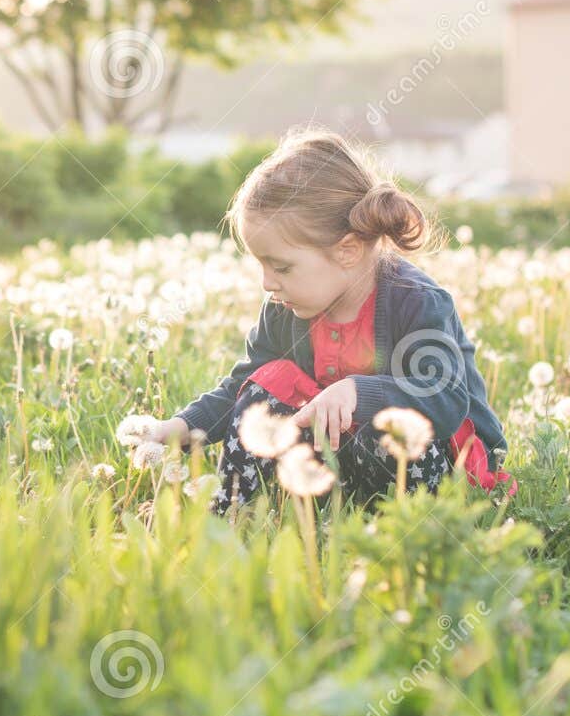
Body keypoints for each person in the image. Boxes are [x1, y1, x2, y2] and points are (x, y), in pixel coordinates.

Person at [146, 128, 515, 515]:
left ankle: (400, 526)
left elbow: (446, 399)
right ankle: (231, 514)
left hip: (444, 467)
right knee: (262, 391)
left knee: (386, 426)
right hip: (342, 457)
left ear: (348, 251)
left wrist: (359, 391)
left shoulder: (416, 301)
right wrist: (183, 427)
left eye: (281, 266)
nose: (267, 282)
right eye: (262, 265)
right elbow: (242, 387)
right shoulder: (284, 306)